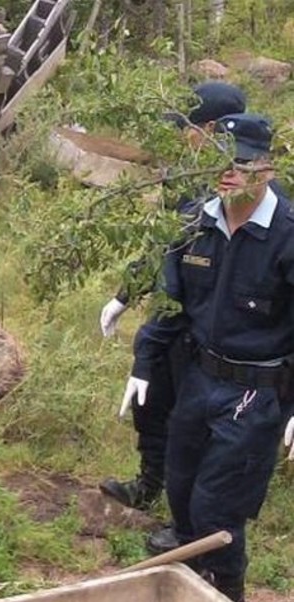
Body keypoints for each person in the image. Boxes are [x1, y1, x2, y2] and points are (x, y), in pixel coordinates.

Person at [98, 82, 286, 554]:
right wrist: (127, 299)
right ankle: (158, 492)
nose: (228, 171)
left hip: (240, 360)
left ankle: (205, 542)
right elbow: (167, 253)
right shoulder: (192, 190)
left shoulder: (273, 214)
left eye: (185, 128)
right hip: (190, 330)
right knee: (162, 413)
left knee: (213, 471)